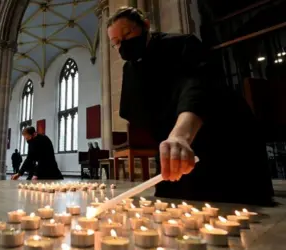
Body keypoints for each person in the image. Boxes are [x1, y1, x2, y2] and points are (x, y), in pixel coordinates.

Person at [107, 7, 274, 205]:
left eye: (127, 34)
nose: (123, 44)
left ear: (145, 25)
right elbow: (133, 110)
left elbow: (197, 87)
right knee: (172, 201)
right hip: (173, 144)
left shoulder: (182, 44)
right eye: (116, 42)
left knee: (230, 201)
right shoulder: (130, 69)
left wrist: (179, 135)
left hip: (219, 137)